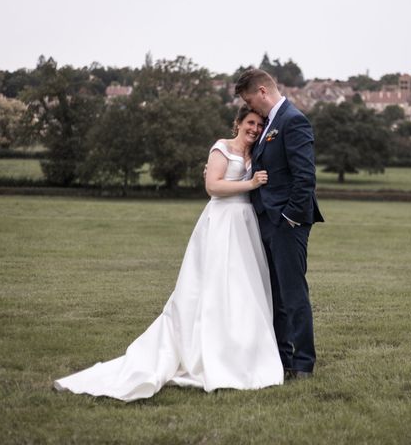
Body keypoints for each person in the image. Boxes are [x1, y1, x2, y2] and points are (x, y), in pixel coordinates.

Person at [54, 105, 283, 401]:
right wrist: (248, 183)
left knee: (243, 288)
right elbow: (212, 186)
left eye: (259, 124)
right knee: (215, 286)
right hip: (222, 223)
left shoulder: (256, 153)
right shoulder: (221, 148)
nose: (254, 128)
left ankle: (244, 353)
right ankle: (207, 352)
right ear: (238, 123)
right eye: (250, 123)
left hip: (244, 223)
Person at [235, 69, 324, 380]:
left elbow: (305, 177)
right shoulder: (271, 124)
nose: (252, 109)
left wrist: (289, 218)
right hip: (267, 222)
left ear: (262, 91)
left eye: (250, 100)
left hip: (288, 224)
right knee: (276, 296)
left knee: (293, 294)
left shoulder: (293, 120)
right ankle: (282, 359)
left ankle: (302, 364)